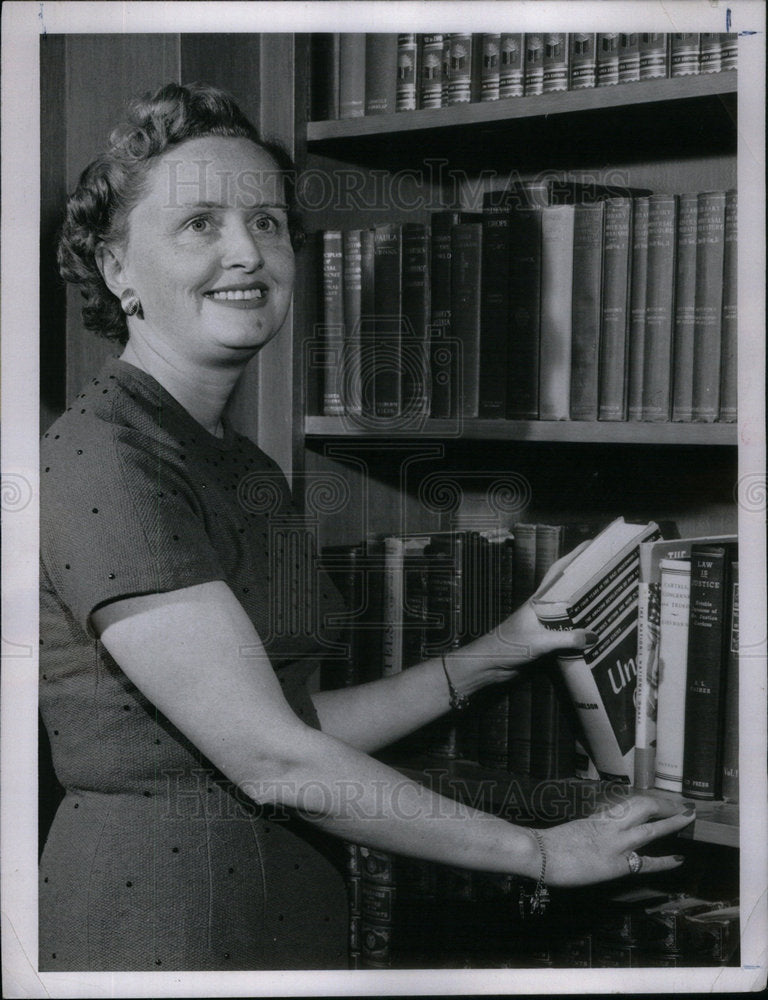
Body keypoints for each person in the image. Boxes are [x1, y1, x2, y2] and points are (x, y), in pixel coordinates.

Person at [40, 82, 693, 972]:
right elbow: (272, 760)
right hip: (161, 920)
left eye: (268, 222)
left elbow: (293, 723)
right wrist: (539, 854)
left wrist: (492, 652)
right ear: (118, 270)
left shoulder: (237, 464)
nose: (248, 251)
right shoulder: (105, 460)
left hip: (280, 907)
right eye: (200, 224)